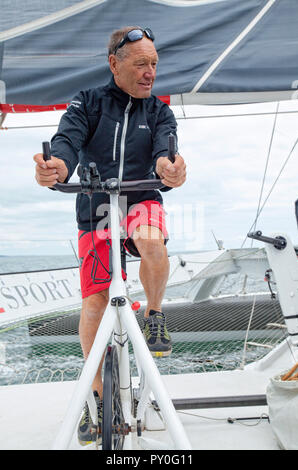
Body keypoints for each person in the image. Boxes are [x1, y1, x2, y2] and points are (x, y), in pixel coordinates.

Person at [33, 26, 186, 446]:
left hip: (140, 198)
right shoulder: (88, 102)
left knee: (152, 240)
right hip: (96, 207)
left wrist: (170, 167)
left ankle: (154, 316)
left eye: (154, 63)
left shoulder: (159, 111)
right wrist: (58, 168)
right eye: (141, 64)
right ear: (114, 64)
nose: (150, 72)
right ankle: (96, 399)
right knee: (96, 300)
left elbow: (165, 151)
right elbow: (67, 142)